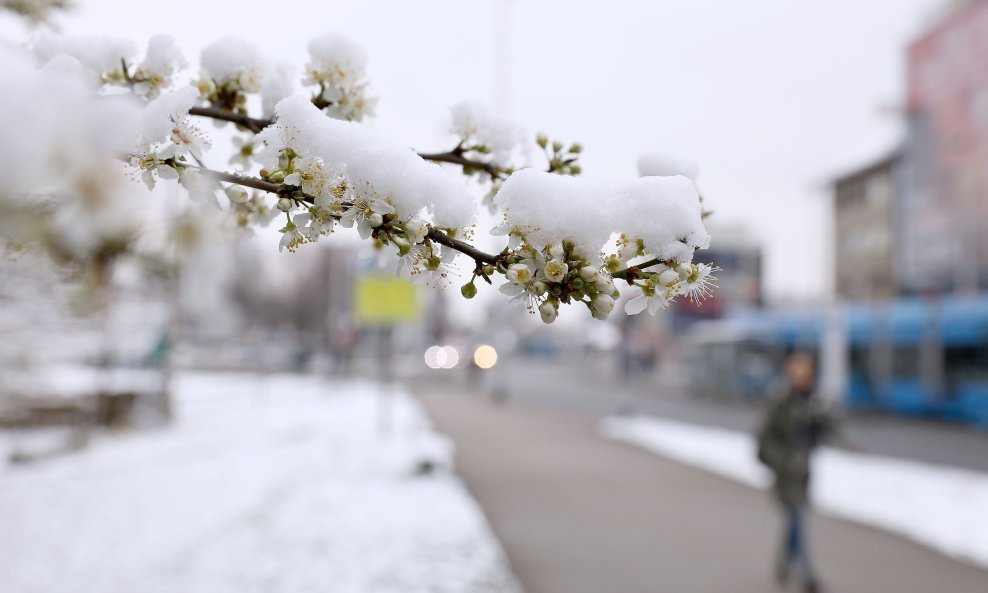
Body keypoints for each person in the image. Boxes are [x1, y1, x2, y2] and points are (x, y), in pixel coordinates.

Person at [756, 351, 834, 593]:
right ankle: (808, 575)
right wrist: (786, 460)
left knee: (794, 522)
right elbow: (764, 442)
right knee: (798, 519)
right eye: (797, 373)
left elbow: (829, 427)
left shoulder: (813, 402)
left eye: (806, 373)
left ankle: (783, 563)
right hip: (785, 476)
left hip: (803, 474)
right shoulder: (779, 402)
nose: (802, 378)